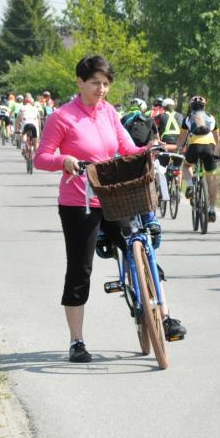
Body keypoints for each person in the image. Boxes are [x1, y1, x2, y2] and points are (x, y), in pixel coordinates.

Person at [35, 55, 186, 363]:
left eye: (105, 84)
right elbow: (41, 157)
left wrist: (149, 150)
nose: (101, 90)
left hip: (114, 197)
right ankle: (77, 341)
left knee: (142, 244)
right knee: (80, 270)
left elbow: (127, 148)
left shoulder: (108, 113)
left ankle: (163, 315)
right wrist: (64, 160)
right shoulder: (62, 117)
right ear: (80, 82)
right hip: (79, 202)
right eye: (95, 83)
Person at [177, 95, 220, 223]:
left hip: (194, 146)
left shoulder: (188, 118)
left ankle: (190, 186)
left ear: (191, 106)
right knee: (211, 178)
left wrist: (179, 149)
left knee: (186, 165)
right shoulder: (211, 118)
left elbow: (182, 139)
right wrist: (217, 152)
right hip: (210, 147)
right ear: (204, 106)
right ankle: (212, 209)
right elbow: (217, 138)